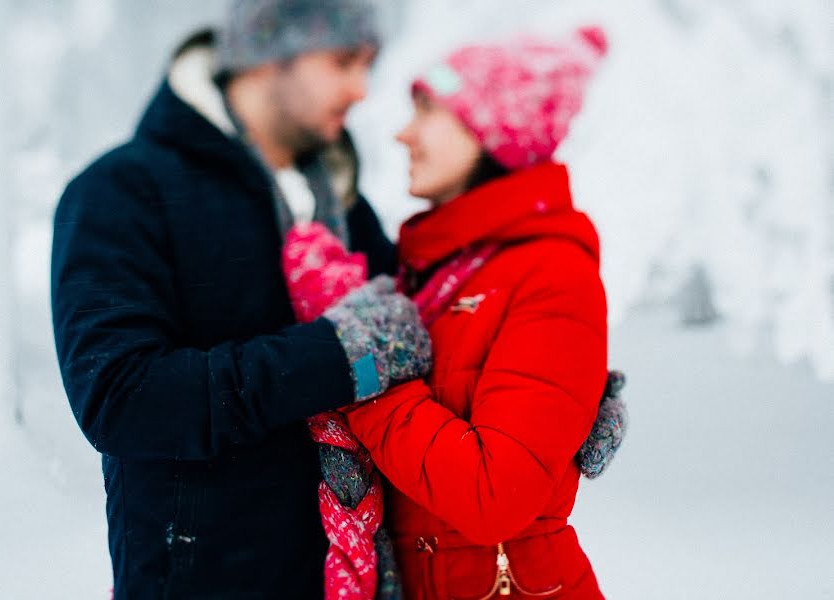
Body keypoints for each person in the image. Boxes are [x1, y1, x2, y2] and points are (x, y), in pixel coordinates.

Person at [50, 1, 433, 598]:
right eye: (342, 62)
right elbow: (119, 397)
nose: (361, 90)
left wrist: (541, 384)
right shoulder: (121, 192)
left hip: (356, 575)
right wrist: (337, 356)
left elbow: (414, 330)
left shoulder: (339, 199)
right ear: (268, 55)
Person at [339, 27, 615, 598]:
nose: (403, 133)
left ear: (492, 133)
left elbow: (496, 498)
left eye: (428, 112)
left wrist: (363, 375)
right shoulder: (435, 270)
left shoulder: (551, 273)